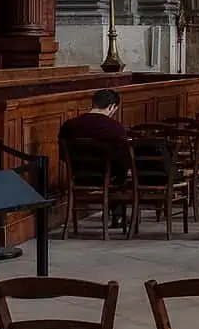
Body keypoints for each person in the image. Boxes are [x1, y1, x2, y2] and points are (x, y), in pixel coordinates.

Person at [58, 86, 139, 226]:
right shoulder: (114, 127)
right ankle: (118, 216)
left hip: (78, 175)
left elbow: (63, 155)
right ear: (112, 107)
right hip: (107, 177)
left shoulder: (69, 125)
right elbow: (122, 158)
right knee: (122, 172)